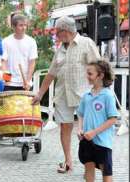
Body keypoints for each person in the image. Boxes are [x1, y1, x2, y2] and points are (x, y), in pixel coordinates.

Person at [32, 16, 100, 173]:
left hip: (84, 94)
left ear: (66, 30)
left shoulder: (86, 43)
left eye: (57, 32)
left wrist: (99, 91)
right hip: (63, 94)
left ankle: (89, 165)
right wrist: (40, 94)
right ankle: (68, 161)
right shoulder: (61, 49)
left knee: (87, 129)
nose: (56, 35)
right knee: (64, 127)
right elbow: (51, 74)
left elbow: (98, 67)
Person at [73, 60, 118, 182]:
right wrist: (80, 129)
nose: (88, 76)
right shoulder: (87, 96)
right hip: (87, 140)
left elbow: (113, 119)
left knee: (106, 170)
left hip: (102, 141)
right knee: (88, 165)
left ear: (100, 75)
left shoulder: (108, 96)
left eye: (90, 73)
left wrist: (95, 132)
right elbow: (80, 113)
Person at [2, 14, 38, 91]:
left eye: (25, 25)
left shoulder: (31, 42)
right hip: (10, 83)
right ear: (14, 27)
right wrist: (6, 80)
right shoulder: (6, 41)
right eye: (21, 25)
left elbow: (32, 62)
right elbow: (3, 61)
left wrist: (28, 80)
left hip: (25, 84)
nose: (24, 28)